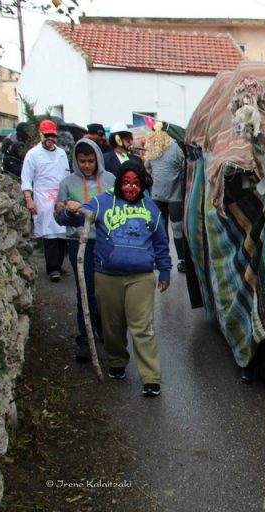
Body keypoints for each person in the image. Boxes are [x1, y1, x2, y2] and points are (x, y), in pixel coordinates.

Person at [58, 159, 171, 397]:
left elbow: (161, 243)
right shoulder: (102, 202)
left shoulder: (151, 208)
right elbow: (74, 219)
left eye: (136, 183)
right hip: (107, 275)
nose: (131, 188)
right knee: (112, 325)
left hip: (141, 277)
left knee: (142, 327)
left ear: (143, 184)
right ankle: (117, 362)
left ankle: (151, 377)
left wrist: (165, 270)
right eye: (127, 183)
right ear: (120, 182)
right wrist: (67, 210)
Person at [54, 139, 116, 362]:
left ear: (97, 158)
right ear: (76, 160)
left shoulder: (110, 180)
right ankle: (84, 338)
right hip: (80, 244)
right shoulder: (68, 184)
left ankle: (107, 333)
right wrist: (68, 213)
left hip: (107, 243)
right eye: (83, 161)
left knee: (107, 291)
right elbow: (59, 217)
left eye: (91, 161)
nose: (87, 165)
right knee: (85, 290)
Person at [21, 119, 70, 281]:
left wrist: (68, 196)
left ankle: (59, 264)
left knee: (62, 233)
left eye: (52, 136)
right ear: (40, 134)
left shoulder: (61, 153)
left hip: (60, 196)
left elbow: (66, 175)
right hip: (42, 197)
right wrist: (29, 199)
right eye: (46, 135)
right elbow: (27, 178)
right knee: (49, 234)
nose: (50, 139)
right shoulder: (32, 155)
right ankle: (52, 268)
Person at [144, 125, 187, 273]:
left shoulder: (172, 148)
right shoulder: (161, 148)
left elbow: (147, 168)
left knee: (169, 228)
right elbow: (183, 168)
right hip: (167, 195)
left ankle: (177, 259)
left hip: (168, 195)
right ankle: (170, 259)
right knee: (167, 229)